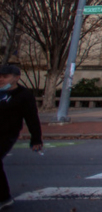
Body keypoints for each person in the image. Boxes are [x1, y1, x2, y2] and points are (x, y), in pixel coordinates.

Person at [0, 65, 42, 210]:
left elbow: (31, 118)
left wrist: (36, 138)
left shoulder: (23, 95)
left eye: (5, 76)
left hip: (7, 133)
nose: (1, 79)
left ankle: (3, 198)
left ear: (16, 78)